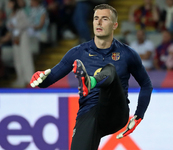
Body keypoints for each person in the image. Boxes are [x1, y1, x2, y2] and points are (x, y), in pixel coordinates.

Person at [30, 4, 153, 150]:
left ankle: (91, 82)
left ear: (115, 25)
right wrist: (39, 77)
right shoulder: (78, 52)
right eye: (96, 18)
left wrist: (139, 115)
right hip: (89, 112)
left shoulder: (127, 54)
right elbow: (47, 80)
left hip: (115, 112)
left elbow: (146, 84)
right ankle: (89, 83)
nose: (99, 22)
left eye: (104, 19)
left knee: (110, 70)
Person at [7, 0, 34, 87]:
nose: (8, 5)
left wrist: (15, 26)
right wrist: (10, 26)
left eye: (10, 3)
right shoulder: (11, 14)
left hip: (22, 36)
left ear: (14, 3)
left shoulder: (21, 12)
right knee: (17, 59)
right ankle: (20, 79)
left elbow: (26, 23)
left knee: (25, 57)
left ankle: (29, 78)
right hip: (15, 38)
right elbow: (8, 25)